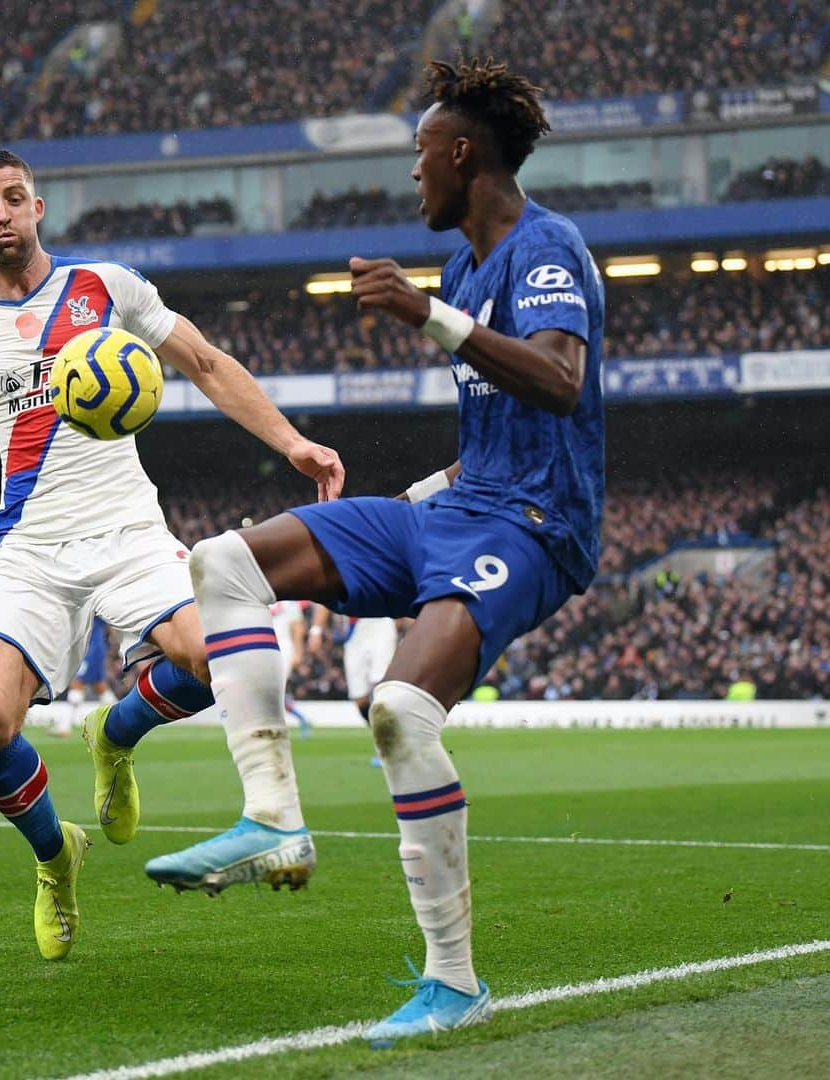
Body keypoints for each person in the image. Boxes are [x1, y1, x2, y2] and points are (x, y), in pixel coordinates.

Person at [147, 56, 605, 1041]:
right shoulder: (469, 265)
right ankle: (273, 818)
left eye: (418, 156)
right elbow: (494, 434)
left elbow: (562, 384)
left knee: (399, 708)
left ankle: (454, 982)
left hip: (535, 531)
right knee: (223, 561)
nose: (413, 176)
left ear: (460, 151)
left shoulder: (547, 247)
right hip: (459, 508)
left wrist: (427, 315)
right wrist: (416, 501)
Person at [0, 148, 344, 962]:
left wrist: (293, 442)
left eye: (15, 197)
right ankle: (57, 859)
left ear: (38, 206)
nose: (3, 213)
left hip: (129, 534)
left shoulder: (107, 289)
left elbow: (201, 362)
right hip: (29, 553)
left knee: (216, 658)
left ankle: (115, 734)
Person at [310, 607, 400, 764]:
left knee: (380, 687)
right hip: (353, 634)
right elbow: (324, 600)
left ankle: (386, 746)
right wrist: (316, 631)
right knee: (360, 700)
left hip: (381, 623)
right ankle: (382, 736)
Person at [55, 615, 117, 738]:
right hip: (93, 646)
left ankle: (64, 726)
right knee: (100, 686)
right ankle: (122, 719)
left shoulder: (93, 601)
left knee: (77, 683)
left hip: (91, 648)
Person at [269, 599, 310, 737]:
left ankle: (276, 727)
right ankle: (301, 719)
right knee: (270, 689)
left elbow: (298, 626)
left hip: (283, 648)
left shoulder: (289, 601)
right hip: (263, 647)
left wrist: (298, 652)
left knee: (276, 688)